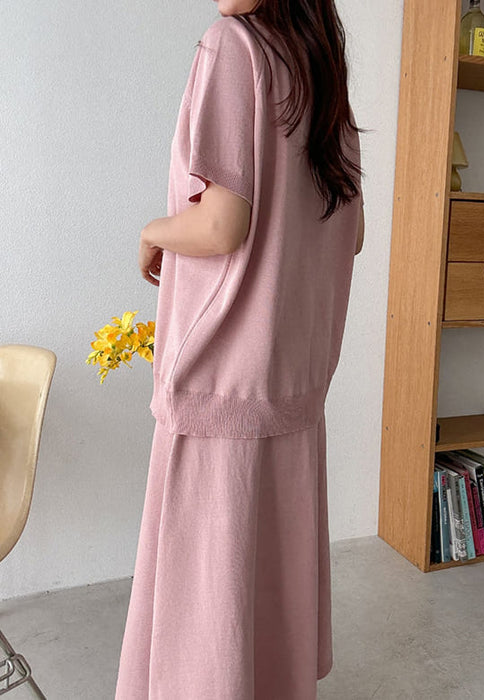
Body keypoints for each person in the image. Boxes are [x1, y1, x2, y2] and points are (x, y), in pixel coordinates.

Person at [115, 0, 365, 697]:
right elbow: (352, 232)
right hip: (293, 384)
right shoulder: (319, 68)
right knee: (265, 614)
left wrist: (153, 231)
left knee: (203, 625)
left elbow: (221, 227)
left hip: (221, 380)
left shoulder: (233, 47)